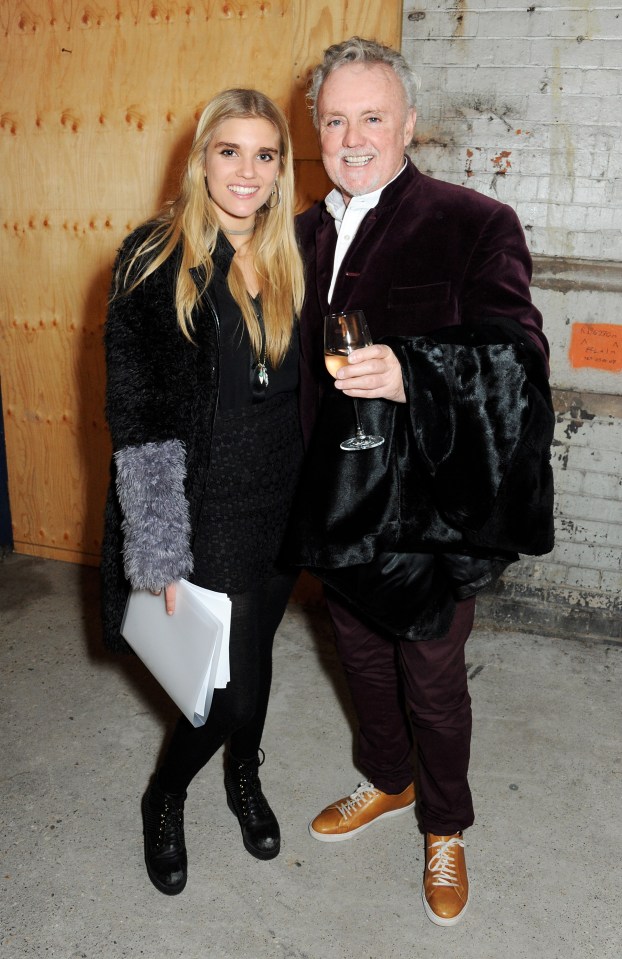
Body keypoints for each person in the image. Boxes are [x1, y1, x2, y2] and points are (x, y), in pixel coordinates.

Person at [293, 38, 552, 926]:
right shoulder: (301, 232)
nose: (353, 136)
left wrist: (414, 372)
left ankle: (446, 824)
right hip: (330, 510)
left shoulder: (474, 221)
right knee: (361, 661)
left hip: (425, 518)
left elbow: (517, 360)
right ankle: (387, 779)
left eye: (372, 116)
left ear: (409, 123)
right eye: (335, 119)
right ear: (316, 128)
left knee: (434, 681)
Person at [100, 88, 305, 895]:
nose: (246, 171)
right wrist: (158, 548)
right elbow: (139, 412)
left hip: (283, 498)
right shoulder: (154, 257)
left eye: (265, 154)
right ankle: (165, 793)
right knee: (222, 693)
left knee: (253, 660)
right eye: (230, 151)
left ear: (281, 168)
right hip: (206, 505)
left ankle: (243, 776)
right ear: (200, 158)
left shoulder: (291, 251)